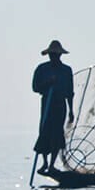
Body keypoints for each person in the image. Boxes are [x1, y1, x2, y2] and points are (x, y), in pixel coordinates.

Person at [32, 40, 75, 174]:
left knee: (57, 133)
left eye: (56, 55)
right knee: (45, 131)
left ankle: (51, 165)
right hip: (47, 103)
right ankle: (44, 162)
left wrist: (71, 110)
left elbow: (70, 92)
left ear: (60, 55)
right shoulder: (42, 69)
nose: (53, 57)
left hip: (59, 104)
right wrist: (47, 82)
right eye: (51, 54)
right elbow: (35, 87)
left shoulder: (66, 70)